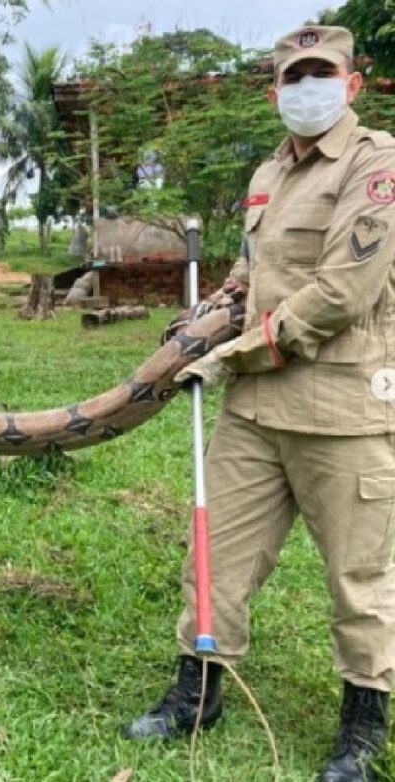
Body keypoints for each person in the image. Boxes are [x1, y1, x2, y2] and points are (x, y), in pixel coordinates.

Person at [123, 26, 395, 782]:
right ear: (275, 89)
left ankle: (363, 727)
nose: (307, 86)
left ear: (352, 82)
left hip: (342, 411)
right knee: (216, 559)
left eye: (322, 72)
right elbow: (250, 275)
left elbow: (343, 292)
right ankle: (198, 690)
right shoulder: (269, 171)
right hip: (252, 412)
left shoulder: (378, 164)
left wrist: (227, 355)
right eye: (293, 75)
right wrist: (211, 312)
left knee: (359, 577)